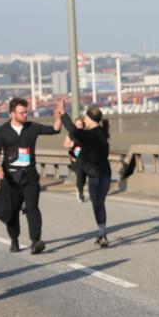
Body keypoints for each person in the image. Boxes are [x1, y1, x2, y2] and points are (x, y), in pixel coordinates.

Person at [0, 97, 61, 254]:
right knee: (12, 210)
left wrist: (58, 114)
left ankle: (36, 241)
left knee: (32, 208)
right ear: (12, 114)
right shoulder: (2, 131)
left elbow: (55, 129)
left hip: (29, 175)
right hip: (11, 177)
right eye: (21, 113)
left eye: (26, 112)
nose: (25, 116)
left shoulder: (32, 128)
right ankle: (14, 240)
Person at [60, 102, 112, 247]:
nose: (84, 120)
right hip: (106, 173)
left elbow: (72, 129)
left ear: (90, 119)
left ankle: (102, 234)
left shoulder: (90, 135)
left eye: (85, 118)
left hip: (95, 175)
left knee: (97, 204)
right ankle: (102, 234)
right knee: (99, 203)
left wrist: (63, 113)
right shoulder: (102, 133)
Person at [64, 117, 87, 203]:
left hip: (85, 159)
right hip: (75, 158)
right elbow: (65, 144)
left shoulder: (86, 134)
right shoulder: (71, 134)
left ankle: (79, 187)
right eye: (77, 124)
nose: (79, 126)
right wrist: (72, 144)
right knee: (79, 175)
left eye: (80, 124)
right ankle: (80, 194)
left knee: (83, 177)